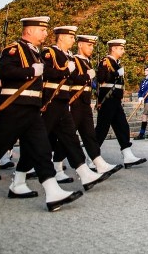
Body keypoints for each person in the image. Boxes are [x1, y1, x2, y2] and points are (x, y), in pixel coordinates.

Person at [0, 17, 82, 219]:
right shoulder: (14, 49)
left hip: (31, 109)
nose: (45, 34)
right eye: (41, 30)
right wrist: (30, 71)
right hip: (14, 109)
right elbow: (3, 71)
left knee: (42, 149)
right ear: (28, 31)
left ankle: (50, 191)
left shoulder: (35, 52)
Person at [40, 26, 107, 189]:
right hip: (52, 100)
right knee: (39, 139)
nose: (72, 39)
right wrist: (71, 74)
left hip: (63, 100)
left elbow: (72, 79)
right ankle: (20, 176)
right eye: (70, 37)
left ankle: (84, 173)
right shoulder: (49, 53)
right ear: (61, 37)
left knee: (71, 137)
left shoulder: (68, 56)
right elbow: (47, 72)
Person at [64, 34, 121, 176]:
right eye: (89, 45)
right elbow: (69, 80)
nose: (91, 48)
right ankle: (57, 165)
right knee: (68, 135)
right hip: (74, 102)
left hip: (85, 102)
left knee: (89, 135)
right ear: (80, 45)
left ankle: (98, 162)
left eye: (92, 45)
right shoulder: (73, 60)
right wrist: (87, 77)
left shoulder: (87, 62)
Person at [95, 39, 146, 167]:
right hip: (107, 99)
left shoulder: (116, 62)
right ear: (113, 49)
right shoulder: (105, 61)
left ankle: (127, 155)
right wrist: (116, 74)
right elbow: (101, 78)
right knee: (102, 129)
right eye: (120, 48)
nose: (123, 51)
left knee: (122, 126)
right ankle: (92, 157)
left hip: (115, 100)